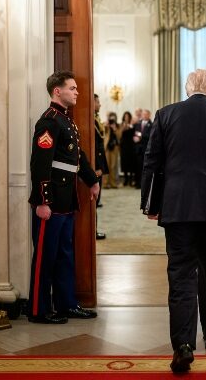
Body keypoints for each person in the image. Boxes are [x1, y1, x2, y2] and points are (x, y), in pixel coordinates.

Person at [141, 69, 206, 373]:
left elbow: (152, 160)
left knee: (181, 275)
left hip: (177, 206)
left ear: (187, 89)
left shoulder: (165, 114)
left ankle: (183, 345)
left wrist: (150, 202)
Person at [28, 70, 100, 324]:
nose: (77, 92)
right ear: (57, 91)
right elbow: (39, 164)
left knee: (65, 254)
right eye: (72, 88)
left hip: (66, 198)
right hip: (51, 201)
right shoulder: (48, 121)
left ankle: (67, 304)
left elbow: (76, 156)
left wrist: (91, 180)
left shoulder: (65, 121)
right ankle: (38, 309)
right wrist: (42, 201)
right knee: (46, 256)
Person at [94, 94, 108, 239]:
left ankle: (94, 229)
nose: (100, 104)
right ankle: (93, 230)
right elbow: (95, 147)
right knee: (95, 200)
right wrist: (98, 166)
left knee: (97, 200)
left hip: (99, 163)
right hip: (96, 165)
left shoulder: (96, 119)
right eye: (97, 101)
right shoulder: (91, 120)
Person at [133, 109, 153, 188]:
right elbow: (135, 133)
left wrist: (141, 136)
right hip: (138, 149)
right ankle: (137, 183)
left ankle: (144, 184)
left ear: (149, 115)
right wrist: (134, 138)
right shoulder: (138, 124)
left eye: (146, 114)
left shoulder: (151, 124)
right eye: (143, 114)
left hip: (146, 149)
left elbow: (150, 136)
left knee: (145, 168)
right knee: (138, 167)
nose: (144, 115)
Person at [104, 111, 120, 189]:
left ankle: (113, 183)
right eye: (111, 117)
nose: (112, 119)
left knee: (113, 165)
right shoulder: (106, 125)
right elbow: (103, 133)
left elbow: (119, 136)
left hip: (115, 147)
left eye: (113, 117)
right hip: (107, 147)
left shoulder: (117, 126)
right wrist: (107, 125)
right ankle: (105, 183)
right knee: (106, 165)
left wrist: (114, 129)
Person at [119, 111, 136, 186]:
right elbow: (119, 134)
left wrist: (130, 126)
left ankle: (131, 180)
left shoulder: (132, 124)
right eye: (125, 116)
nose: (126, 117)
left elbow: (134, 133)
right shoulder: (121, 124)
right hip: (123, 146)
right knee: (124, 162)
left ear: (129, 117)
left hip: (131, 145)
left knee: (131, 162)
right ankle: (125, 180)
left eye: (127, 116)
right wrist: (124, 127)